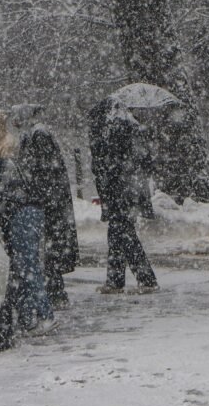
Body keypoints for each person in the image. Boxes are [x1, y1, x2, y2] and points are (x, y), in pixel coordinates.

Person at [0, 109, 55, 333]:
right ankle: (28, 318)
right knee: (22, 267)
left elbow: (9, 183)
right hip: (20, 211)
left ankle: (45, 315)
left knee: (28, 266)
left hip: (23, 212)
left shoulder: (7, 146)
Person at [11, 104, 79, 309]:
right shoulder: (33, 134)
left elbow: (44, 171)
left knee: (50, 250)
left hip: (48, 202)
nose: (14, 122)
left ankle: (56, 294)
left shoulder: (38, 135)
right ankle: (55, 293)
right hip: (48, 201)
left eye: (17, 117)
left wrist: (37, 195)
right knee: (49, 250)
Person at [88, 97, 159, 294]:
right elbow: (145, 162)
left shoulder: (114, 131)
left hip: (120, 193)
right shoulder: (132, 128)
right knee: (119, 235)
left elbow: (105, 164)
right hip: (129, 192)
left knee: (122, 235)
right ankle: (118, 280)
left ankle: (143, 279)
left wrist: (103, 160)